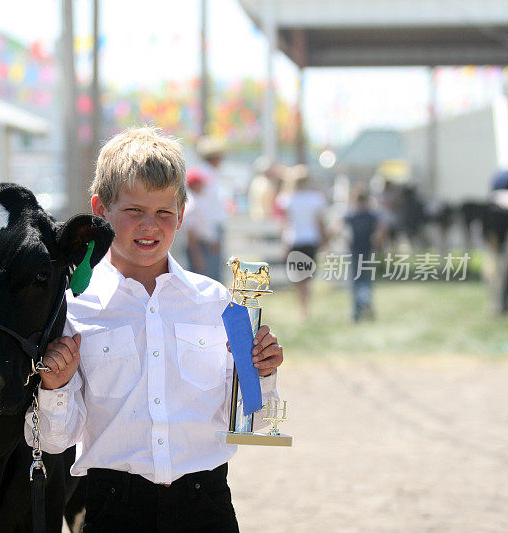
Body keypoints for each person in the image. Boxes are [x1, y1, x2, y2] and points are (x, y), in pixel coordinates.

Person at [24, 127, 284, 532]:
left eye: (164, 212)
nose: (150, 226)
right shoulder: (73, 310)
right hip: (113, 510)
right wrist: (54, 388)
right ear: (100, 211)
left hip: (207, 506)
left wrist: (262, 374)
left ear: (181, 214)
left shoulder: (214, 302)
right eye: (133, 211)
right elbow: (55, 441)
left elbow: (256, 419)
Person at [276, 168, 327, 321]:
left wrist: (282, 241)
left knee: (298, 277)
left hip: (294, 240)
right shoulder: (315, 198)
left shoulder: (287, 198)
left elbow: (285, 223)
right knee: (307, 276)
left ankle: (302, 307)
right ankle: (305, 306)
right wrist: (325, 239)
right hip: (310, 240)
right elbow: (320, 222)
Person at [182, 137, 228, 280]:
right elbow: (206, 210)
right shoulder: (206, 175)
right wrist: (213, 235)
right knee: (209, 274)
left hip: (208, 230)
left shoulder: (207, 173)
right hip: (207, 232)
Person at [343, 187, 386, 322]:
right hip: (368, 251)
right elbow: (382, 229)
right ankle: (366, 305)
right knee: (366, 281)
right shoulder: (372, 215)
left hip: (356, 251)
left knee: (356, 282)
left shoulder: (352, 215)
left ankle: (357, 313)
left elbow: (339, 228)